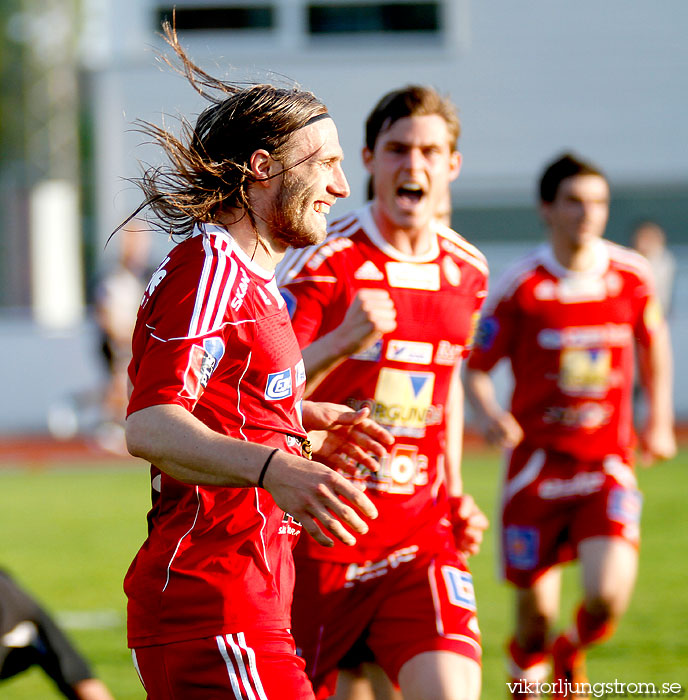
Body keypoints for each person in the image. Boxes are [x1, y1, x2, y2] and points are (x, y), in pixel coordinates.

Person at [122, 22, 393, 700]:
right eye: (324, 162)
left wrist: (297, 422)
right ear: (263, 168)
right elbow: (150, 425)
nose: (340, 185)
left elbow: (218, 402)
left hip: (245, 598)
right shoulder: (210, 268)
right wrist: (276, 466)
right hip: (214, 603)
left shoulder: (250, 279)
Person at [278, 85, 489, 700]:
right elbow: (271, 391)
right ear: (368, 159)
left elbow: (441, 396)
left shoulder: (468, 272)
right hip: (321, 538)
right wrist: (345, 338)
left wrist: (453, 494)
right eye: (398, 149)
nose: (413, 165)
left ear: (452, 164)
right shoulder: (322, 259)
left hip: (417, 540)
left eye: (430, 150)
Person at [464, 153, 676, 698]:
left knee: (607, 597)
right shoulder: (521, 285)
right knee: (533, 621)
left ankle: (570, 650)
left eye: (599, 202)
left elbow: (654, 345)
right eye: (575, 202)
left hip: (606, 462)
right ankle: (532, 672)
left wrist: (658, 420)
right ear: (547, 209)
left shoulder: (631, 274)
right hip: (536, 468)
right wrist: (490, 415)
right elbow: (477, 369)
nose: (588, 214)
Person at [0, 568, 114, 700]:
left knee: (74, 671)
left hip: (15, 611)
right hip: (15, 606)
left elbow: (80, 675)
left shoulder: (14, 604)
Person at [93, 217, 152, 453]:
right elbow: (104, 315)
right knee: (120, 380)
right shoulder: (112, 278)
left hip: (144, 344)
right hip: (121, 345)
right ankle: (114, 426)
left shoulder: (154, 273)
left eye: (138, 239)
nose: (134, 245)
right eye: (129, 239)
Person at [631, 220, 676, 316]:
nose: (644, 242)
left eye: (649, 238)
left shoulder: (665, 263)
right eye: (642, 237)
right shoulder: (626, 263)